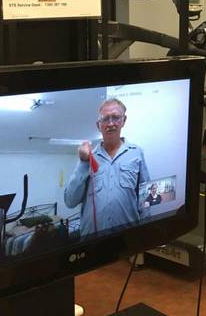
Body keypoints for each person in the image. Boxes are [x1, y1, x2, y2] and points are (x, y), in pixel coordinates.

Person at [64, 98, 150, 237]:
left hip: (127, 238)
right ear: (99, 125)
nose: (111, 123)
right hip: (91, 242)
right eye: (105, 119)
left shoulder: (137, 153)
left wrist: (145, 233)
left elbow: (145, 198)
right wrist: (82, 162)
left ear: (123, 120)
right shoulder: (88, 157)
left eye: (116, 117)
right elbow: (70, 201)